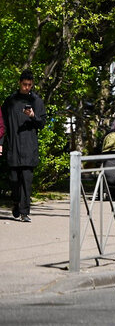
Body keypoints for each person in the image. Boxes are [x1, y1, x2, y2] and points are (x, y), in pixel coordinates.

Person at [1, 70, 46, 223]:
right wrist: (0, 143)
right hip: (13, 147)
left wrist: (33, 116)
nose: (27, 87)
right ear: (19, 83)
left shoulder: (37, 101)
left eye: (29, 85)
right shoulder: (10, 101)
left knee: (26, 182)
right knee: (14, 180)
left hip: (29, 148)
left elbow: (42, 124)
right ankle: (15, 202)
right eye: (24, 84)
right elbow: (3, 125)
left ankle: (25, 212)